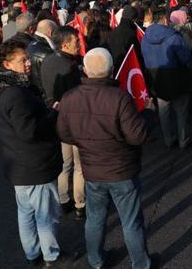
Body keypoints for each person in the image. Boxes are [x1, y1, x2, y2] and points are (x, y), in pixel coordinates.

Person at [56, 48, 155, 269]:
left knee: (95, 219)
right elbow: (138, 136)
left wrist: (85, 142)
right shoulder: (120, 97)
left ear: (85, 70)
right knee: (130, 222)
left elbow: (64, 134)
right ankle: (141, 264)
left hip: (92, 169)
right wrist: (148, 113)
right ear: (111, 71)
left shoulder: (69, 98)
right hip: (122, 170)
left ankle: (96, 261)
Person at [0, 39, 64, 267]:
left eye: (27, 59)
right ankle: (51, 255)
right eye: (22, 60)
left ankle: (32, 252)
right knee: (45, 215)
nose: (28, 63)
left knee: (26, 213)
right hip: (35, 164)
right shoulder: (16, 94)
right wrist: (52, 115)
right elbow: (29, 131)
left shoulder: (4, 90)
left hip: (18, 164)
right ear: (7, 64)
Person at [41, 26, 85, 219]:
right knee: (79, 166)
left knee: (64, 164)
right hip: (73, 121)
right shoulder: (70, 67)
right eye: (76, 41)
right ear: (65, 44)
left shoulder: (48, 59)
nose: (79, 44)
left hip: (55, 118)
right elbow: (78, 97)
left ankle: (63, 199)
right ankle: (80, 204)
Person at [141, 9, 192, 149]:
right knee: (181, 111)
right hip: (176, 76)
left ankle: (169, 139)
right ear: (164, 20)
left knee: (164, 112)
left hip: (156, 78)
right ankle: (183, 140)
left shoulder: (145, 37)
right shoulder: (174, 36)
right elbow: (186, 57)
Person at [27, 19, 57, 100]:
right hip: (48, 96)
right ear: (51, 32)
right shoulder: (48, 52)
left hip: (37, 93)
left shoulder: (31, 44)